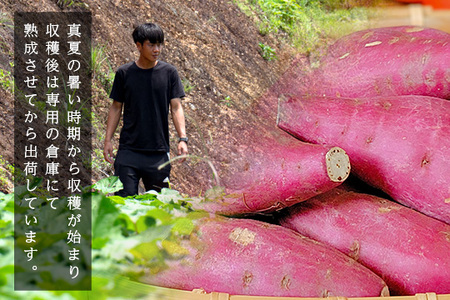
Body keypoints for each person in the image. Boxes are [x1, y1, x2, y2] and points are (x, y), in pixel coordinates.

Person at [103, 23, 188, 197]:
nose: (157, 49)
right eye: (151, 45)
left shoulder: (169, 73)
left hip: (158, 153)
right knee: (122, 205)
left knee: (157, 208)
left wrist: (182, 139)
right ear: (139, 46)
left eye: (159, 44)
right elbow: (116, 107)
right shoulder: (124, 73)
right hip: (128, 152)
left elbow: (176, 106)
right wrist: (108, 140)